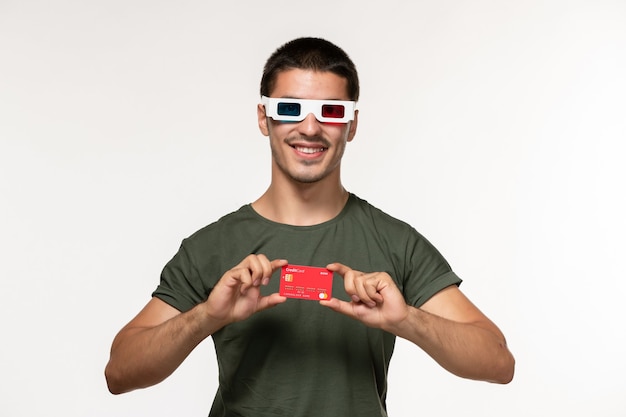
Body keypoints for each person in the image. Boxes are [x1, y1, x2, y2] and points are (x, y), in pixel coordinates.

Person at [105, 37, 515, 416]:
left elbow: (498, 361)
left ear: (352, 125)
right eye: (290, 108)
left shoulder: (395, 243)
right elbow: (119, 373)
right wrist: (206, 317)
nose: (310, 127)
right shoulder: (212, 246)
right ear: (264, 117)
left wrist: (405, 320)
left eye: (332, 112)